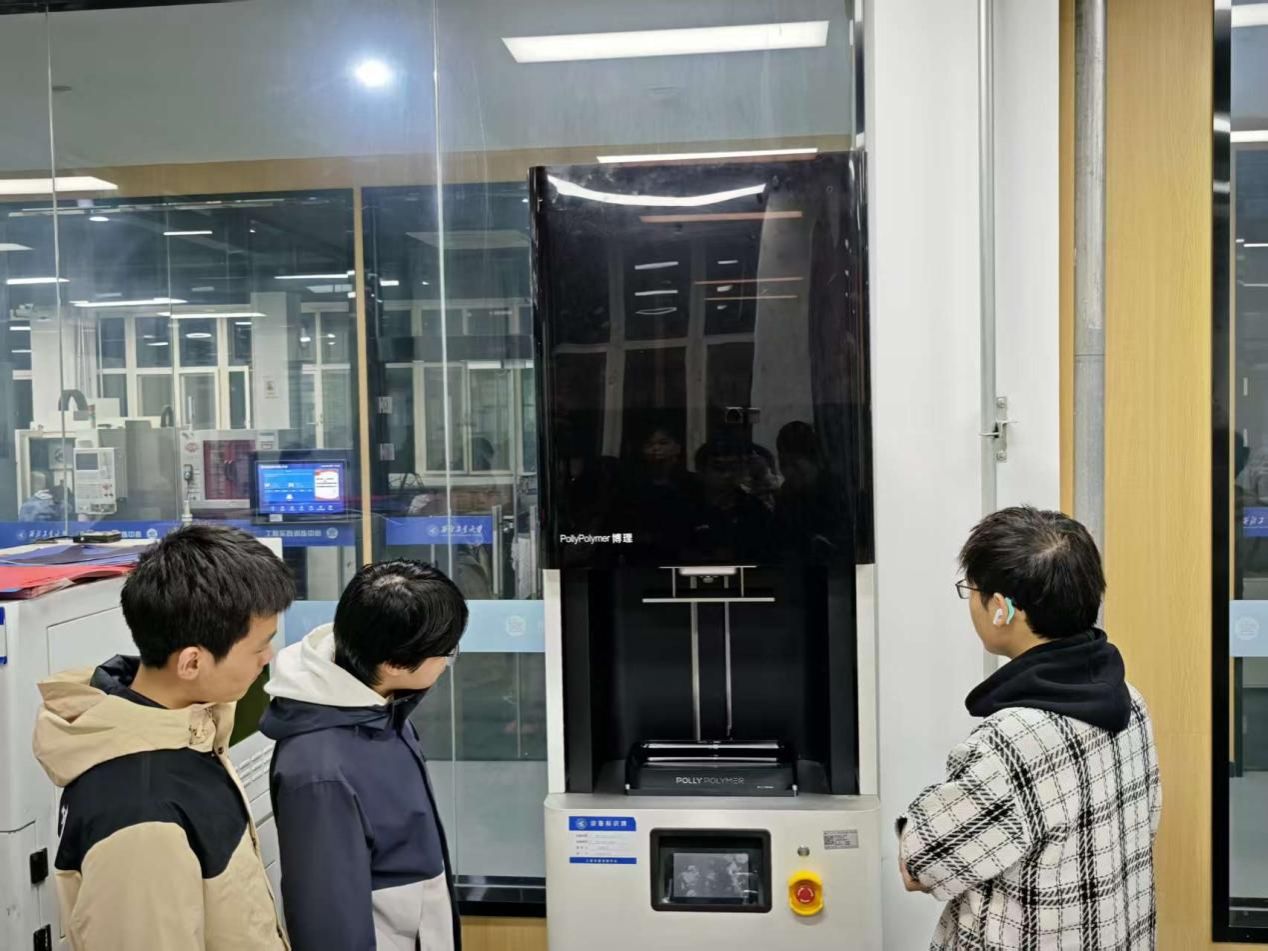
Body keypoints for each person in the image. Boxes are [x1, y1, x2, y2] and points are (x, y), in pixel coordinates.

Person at [897, 507, 1161, 949]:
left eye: (972, 591)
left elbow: (919, 864)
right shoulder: (1130, 701)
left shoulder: (1012, 742)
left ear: (1001, 609)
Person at [32, 524, 295, 951]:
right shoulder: (141, 817)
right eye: (258, 647)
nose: (269, 658)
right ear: (191, 663)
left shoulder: (185, 730)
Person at [261, 559, 468, 951]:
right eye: (446, 651)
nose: (447, 662)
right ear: (394, 663)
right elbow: (328, 922)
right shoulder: (318, 770)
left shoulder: (381, 705)